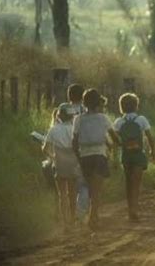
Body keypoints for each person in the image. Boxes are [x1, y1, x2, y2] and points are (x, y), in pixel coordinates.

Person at [72, 89, 119, 230]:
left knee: (90, 187)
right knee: (97, 189)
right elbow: (115, 138)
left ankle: (91, 216)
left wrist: (78, 157)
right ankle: (93, 217)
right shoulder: (103, 118)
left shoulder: (78, 119)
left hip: (84, 156)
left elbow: (74, 141)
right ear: (99, 103)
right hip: (99, 154)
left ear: (84, 103)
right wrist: (115, 145)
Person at [114, 93, 155, 222]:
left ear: (121, 107)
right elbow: (149, 136)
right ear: (136, 106)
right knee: (136, 183)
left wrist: (115, 155)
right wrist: (153, 150)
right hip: (138, 154)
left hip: (126, 155)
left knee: (128, 182)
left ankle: (129, 208)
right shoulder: (141, 119)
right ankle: (134, 210)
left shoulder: (119, 122)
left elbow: (115, 141)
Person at [42, 103, 80, 229]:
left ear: (59, 116)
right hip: (73, 162)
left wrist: (53, 157)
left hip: (59, 163)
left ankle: (65, 222)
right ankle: (73, 218)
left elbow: (44, 149)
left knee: (62, 193)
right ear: (71, 116)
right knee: (72, 192)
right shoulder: (75, 129)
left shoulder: (54, 129)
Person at [66, 83, 89, 223]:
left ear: (69, 95)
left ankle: (69, 214)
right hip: (82, 149)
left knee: (69, 185)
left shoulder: (63, 109)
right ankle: (81, 213)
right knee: (83, 184)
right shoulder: (85, 110)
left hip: (65, 150)